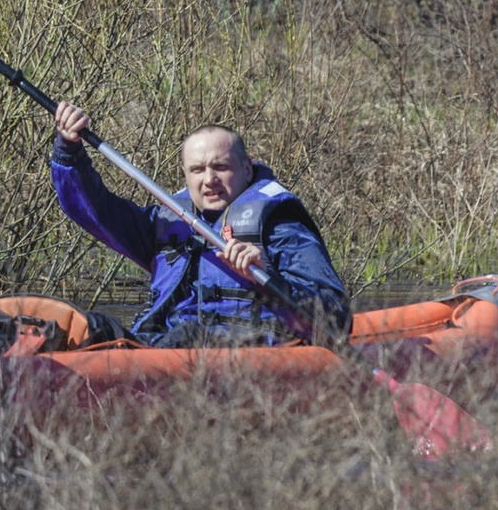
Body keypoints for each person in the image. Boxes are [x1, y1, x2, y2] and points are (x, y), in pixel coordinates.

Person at [48, 101, 349, 344]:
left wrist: (269, 278)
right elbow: (97, 211)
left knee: (186, 336)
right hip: (162, 348)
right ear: (185, 175)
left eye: (221, 167)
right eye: (197, 170)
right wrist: (69, 150)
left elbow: (336, 317)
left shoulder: (280, 226)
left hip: (243, 352)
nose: (209, 180)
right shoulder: (163, 223)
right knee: (96, 326)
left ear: (246, 168)